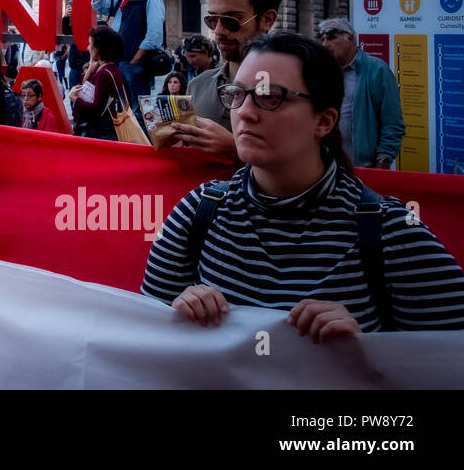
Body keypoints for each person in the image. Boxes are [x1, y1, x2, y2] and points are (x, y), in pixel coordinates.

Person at [143, 33, 464, 336]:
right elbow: (141, 339)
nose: (245, 112)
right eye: (237, 94)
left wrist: (371, 352)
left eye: (270, 97)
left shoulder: (392, 231)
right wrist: (178, 313)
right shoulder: (199, 210)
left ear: (324, 120)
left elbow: (445, 360)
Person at [172, 0, 280, 161]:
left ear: (267, 20)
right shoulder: (198, 85)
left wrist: (234, 149)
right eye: (212, 20)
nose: (218, 31)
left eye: (231, 21)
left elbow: (306, 170)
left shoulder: (293, 89)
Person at [317, 17, 405, 170]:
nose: (325, 44)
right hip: (328, 166)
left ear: (350, 37)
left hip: (363, 167)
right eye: (323, 39)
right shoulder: (324, 73)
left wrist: (382, 161)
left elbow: (392, 123)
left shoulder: (376, 70)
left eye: (331, 37)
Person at [92, 0, 165, 110]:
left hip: (135, 62)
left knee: (139, 110)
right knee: (124, 110)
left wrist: (135, 60)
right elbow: (99, 6)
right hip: (120, 61)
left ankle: (140, 134)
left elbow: (154, 35)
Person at [67, 25, 128, 141]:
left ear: (99, 48)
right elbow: (85, 86)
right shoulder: (108, 68)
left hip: (98, 130)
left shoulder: (105, 73)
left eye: (91, 44)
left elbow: (96, 107)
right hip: (101, 127)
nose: (88, 48)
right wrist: (90, 69)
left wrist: (75, 99)